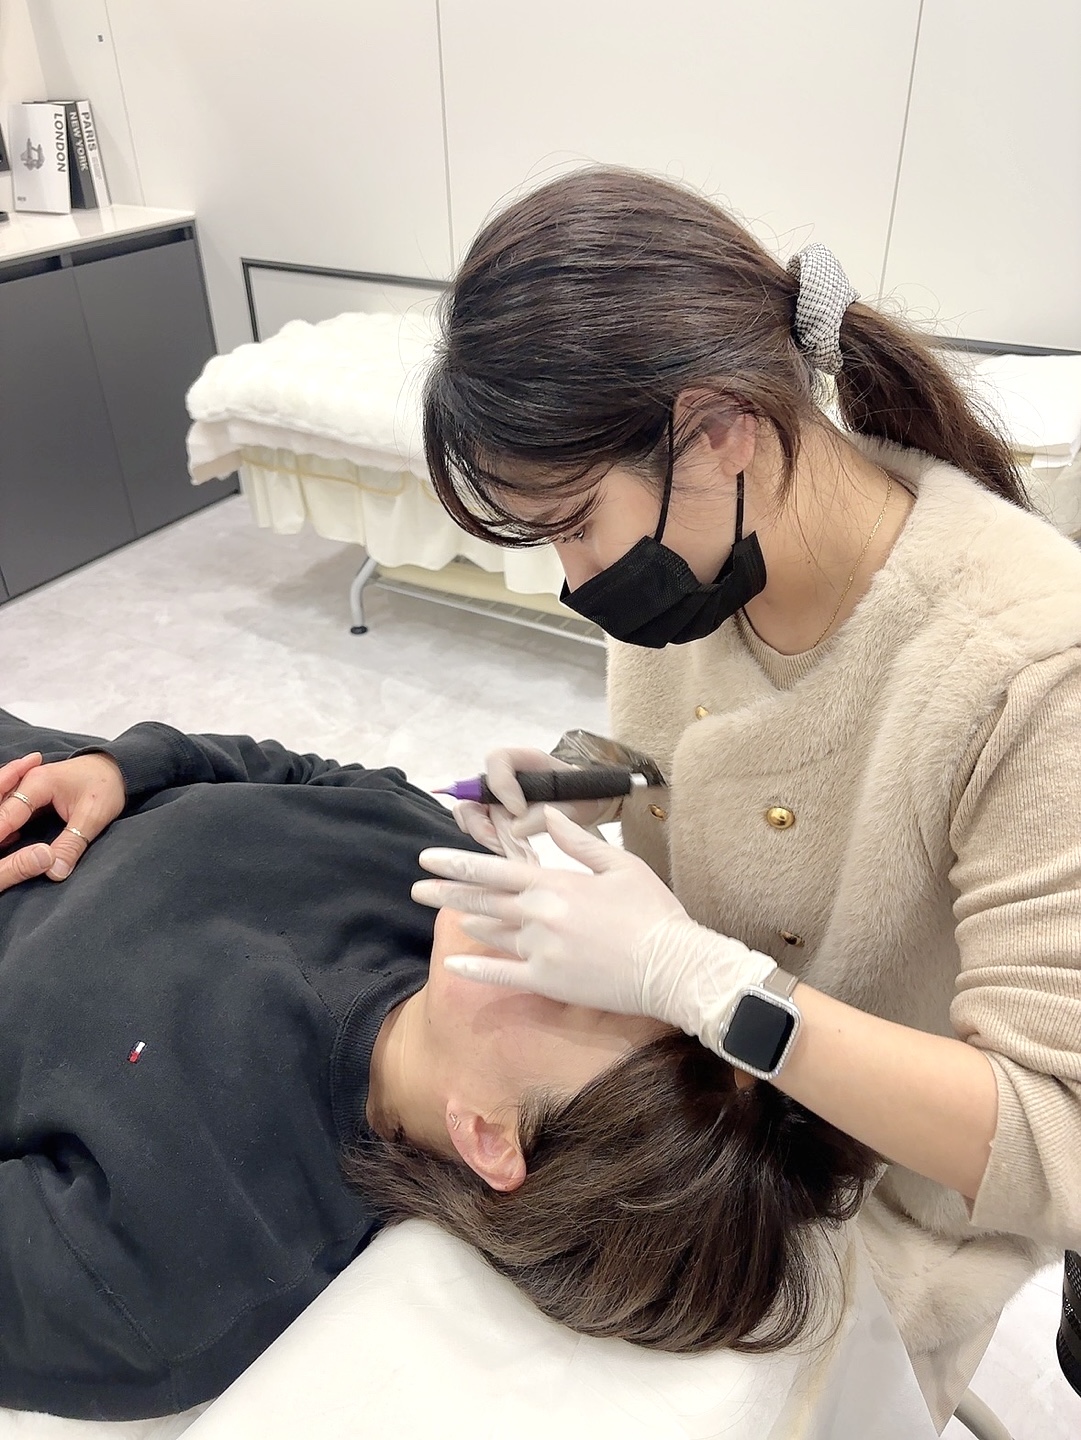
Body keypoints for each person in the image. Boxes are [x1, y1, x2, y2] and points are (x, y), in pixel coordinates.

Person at [412, 166, 1081, 1430]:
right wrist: (575, 780)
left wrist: (700, 982)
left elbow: (1057, 1150)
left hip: (889, 1187)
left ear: (720, 431)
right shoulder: (710, 560)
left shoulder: (1029, 666)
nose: (574, 579)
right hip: (705, 1105)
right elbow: (681, 760)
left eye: (573, 524)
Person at [0, 709, 873, 1422]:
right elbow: (288, 770)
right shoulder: (439, 871)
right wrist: (120, 766)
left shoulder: (186, 1250)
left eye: (593, 994)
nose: (570, 924)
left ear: (490, 1137)